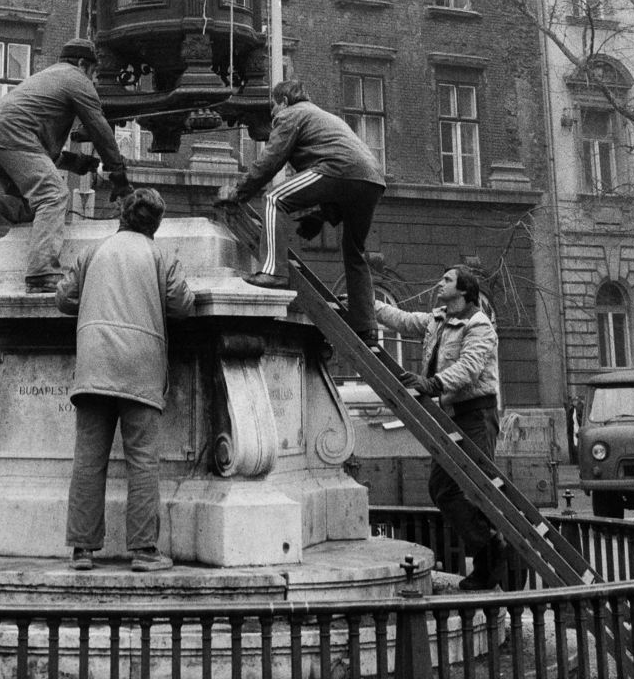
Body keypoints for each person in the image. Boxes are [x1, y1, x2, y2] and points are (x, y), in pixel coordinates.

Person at [56, 187, 194, 572]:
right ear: (156, 225)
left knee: (88, 459)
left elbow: (64, 299)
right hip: (140, 367)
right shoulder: (158, 255)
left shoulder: (93, 251)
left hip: (94, 364)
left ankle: (82, 550)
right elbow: (182, 305)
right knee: (143, 460)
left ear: (122, 216)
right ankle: (144, 551)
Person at [0, 38, 132, 292]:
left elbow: (40, 151)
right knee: (54, 196)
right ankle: (42, 273)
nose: (93, 79)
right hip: (16, 138)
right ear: (82, 64)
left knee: (32, 208)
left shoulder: (48, 77)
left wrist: (77, 162)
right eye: (93, 71)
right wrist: (118, 173)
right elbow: (99, 129)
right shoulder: (77, 79)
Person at [218, 79, 385, 344]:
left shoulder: (292, 114)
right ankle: (366, 326)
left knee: (274, 198)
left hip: (340, 169)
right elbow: (343, 183)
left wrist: (239, 192)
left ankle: (272, 272)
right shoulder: (321, 116)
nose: (273, 115)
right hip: (373, 178)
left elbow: (271, 160)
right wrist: (321, 216)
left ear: (283, 101)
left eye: (273, 107)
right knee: (355, 253)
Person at [375, 266, 505, 591]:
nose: (439, 283)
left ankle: (491, 560)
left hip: (475, 416)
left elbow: (469, 368)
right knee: (442, 488)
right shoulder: (438, 319)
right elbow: (403, 320)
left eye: (447, 280)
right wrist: (369, 305)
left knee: (475, 489)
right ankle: (491, 548)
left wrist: (431, 383)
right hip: (449, 415)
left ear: (463, 290)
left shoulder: (479, 324)